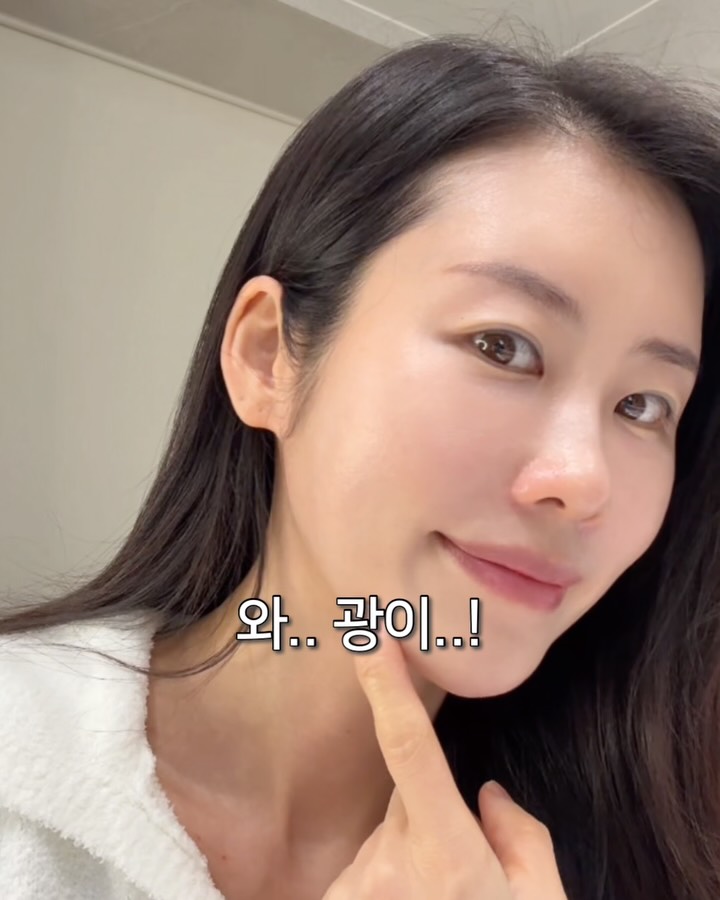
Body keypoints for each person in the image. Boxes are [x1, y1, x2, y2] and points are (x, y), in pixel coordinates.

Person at [2, 32, 720, 900]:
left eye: (642, 406)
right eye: (503, 346)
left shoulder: (663, 849)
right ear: (268, 357)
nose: (583, 480)